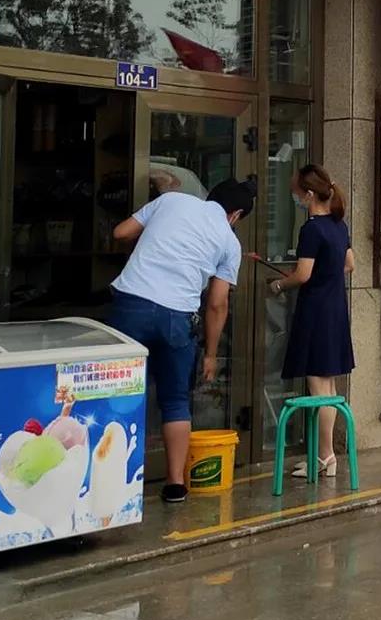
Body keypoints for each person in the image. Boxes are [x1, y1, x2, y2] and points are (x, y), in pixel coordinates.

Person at [107, 179, 254, 503]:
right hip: (177, 317)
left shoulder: (171, 201)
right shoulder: (229, 242)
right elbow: (217, 303)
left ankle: (114, 478)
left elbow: (120, 232)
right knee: (175, 400)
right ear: (235, 215)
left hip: (132, 305)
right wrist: (211, 354)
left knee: (118, 391)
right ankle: (175, 483)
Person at [270, 164, 354, 478]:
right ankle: (325, 456)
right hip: (335, 308)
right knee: (328, 385)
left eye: (296, 193)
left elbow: (303, 274)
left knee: (318, 387)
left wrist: (280, 284)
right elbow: (350, 264)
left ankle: (325, 456)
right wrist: (325, 274)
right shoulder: (338, 225)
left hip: (315, 310)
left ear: (308, 194)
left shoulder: (312, 229)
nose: (295, 198)